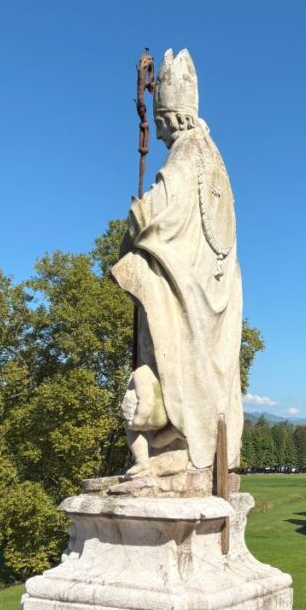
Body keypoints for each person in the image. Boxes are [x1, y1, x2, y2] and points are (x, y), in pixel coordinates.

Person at [113, 49, 243, 478]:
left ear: (171, 120)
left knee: (172, 370)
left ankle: (178, 451)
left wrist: (137, 217)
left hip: (183, 294)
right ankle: (186, 452)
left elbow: (161, 210)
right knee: (193, 375)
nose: (165, 135)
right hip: (209, 294)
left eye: (165, 125)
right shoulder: (215, 157)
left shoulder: (186, 155)